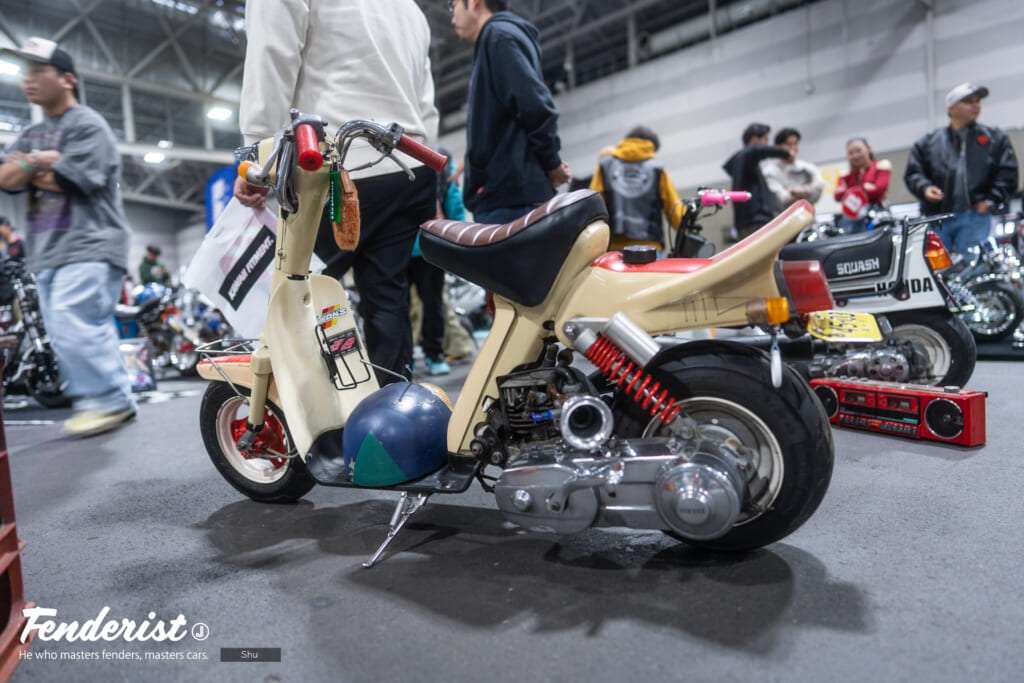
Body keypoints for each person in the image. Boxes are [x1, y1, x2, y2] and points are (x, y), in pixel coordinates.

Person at [236, 0, 439, 384]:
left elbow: (272, 52)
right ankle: (390, 421)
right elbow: (425, 100)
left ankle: (321, 433)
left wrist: (256, 152)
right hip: (409, 164)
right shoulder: (410, 8)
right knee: (387, 301)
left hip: (336, 163)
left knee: (298, 299)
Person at [0, 37, 135, 435]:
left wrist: (35, 169)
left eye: (40, 71)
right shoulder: (31, 136)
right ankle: (115, 399)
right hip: (47, 251)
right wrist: (40, 160)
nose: (29, 80)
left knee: (73, 320)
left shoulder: (88, 125)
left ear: (67, 79)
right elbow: (6, 178)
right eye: (27, 72)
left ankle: (108, 400)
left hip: (90, 243)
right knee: (67, 328)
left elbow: (70, 180)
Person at [450, 0, 571, 225]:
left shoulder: (499, 36)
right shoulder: (497, 38)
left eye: (453, 5)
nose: (452, 17)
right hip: (508, 195)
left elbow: (534, 105)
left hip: (510, 200)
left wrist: (552, 163)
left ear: (475, 3)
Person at [905, 82, 1019, 254]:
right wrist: (925, 188)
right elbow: (914, 172)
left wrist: (990, 201)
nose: (976, 105)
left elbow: (1008, 174)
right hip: (938, 220)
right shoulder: (928, 143)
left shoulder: (995, 138)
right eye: (968, 101)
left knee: (973, 270)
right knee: (939, 272)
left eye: (978, 101)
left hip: (976, 217)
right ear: (951, 108)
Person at [408, 151, 464, 377]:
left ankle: (420, 357)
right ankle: (430, 355)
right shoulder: (436, 157)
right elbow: (454, 204)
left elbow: (453, 202)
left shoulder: (436, 160)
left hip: (420, 248)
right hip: (424, 246)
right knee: (431, 305)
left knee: (425, 306)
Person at [589, 126, 684, 251]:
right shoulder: (657, 169)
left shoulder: (605, 166)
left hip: (613, 248)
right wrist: (687, 228)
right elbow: (675, 210)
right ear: (651, 147)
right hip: (650, 248)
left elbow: (591, 207)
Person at [722, 123, 793, 241]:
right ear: (754, 138)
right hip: (756, 223)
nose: (767, 144)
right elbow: (756, 149)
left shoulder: (744, 164)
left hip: (749, 224)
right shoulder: (746, 155)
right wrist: (786, 153)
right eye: (765, 139)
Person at [834, 138, 892, 233]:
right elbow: (837, 195)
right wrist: (865, 187)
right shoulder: (845, 174)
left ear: (868, 149)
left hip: (877, 214)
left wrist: (849, 191)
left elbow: (879, 190)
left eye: (858, 151)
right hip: (851, 220)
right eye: (851, 153)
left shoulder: (881, 165)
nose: (855, 156)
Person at [761, 127, 825, 209]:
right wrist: (807, 190)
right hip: (782, 218)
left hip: (808, 217)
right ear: (777, 147)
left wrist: (799, 190)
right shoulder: (769, 172)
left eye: (796, 144)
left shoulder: (808, 167)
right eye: (788, 144)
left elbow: (818, 189)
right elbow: (781, 199)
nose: (793, 148)